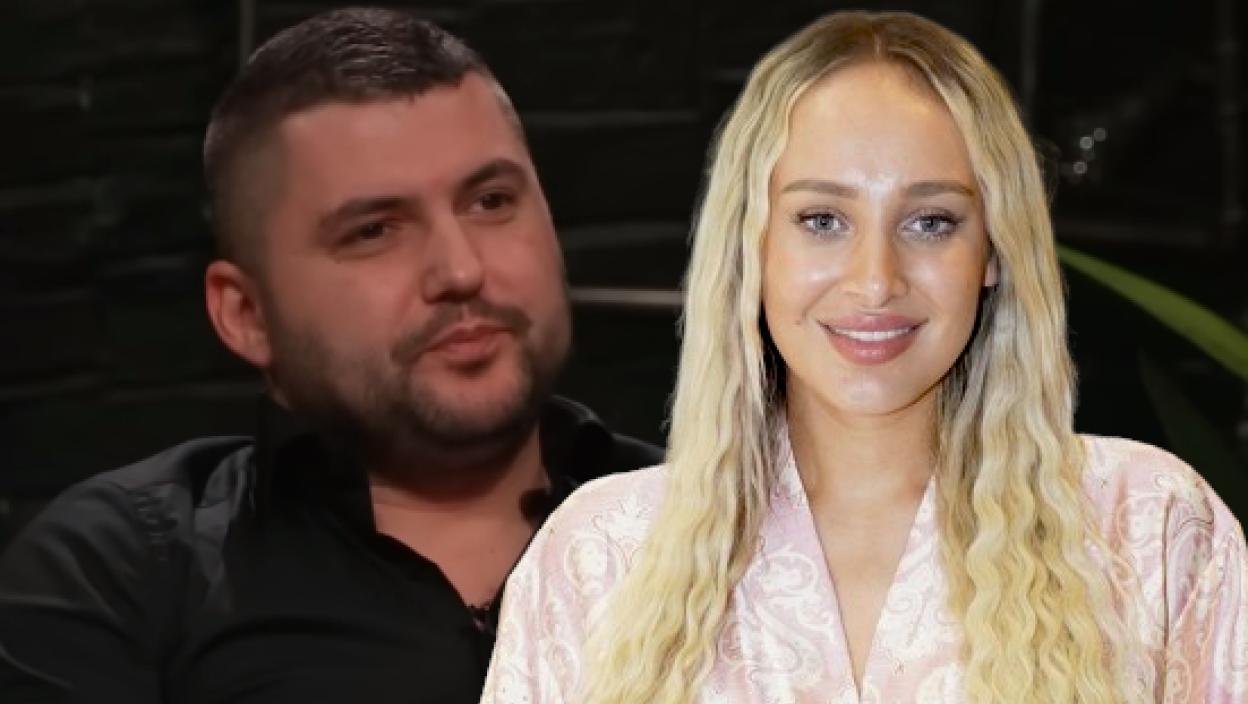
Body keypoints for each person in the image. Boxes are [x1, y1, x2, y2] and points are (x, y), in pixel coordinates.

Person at [482, 10, 1248, 704]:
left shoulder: (1150, 526)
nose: (875, 281)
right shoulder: (599, 555)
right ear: (753, 245)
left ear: (994, 250)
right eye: (822, 219)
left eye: (931, 222)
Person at [0, 7, 660, 703]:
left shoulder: (719, 527)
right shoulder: (120, 575)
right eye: (374, 231)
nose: (461, 270)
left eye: (491, 201)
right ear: (246, 314)